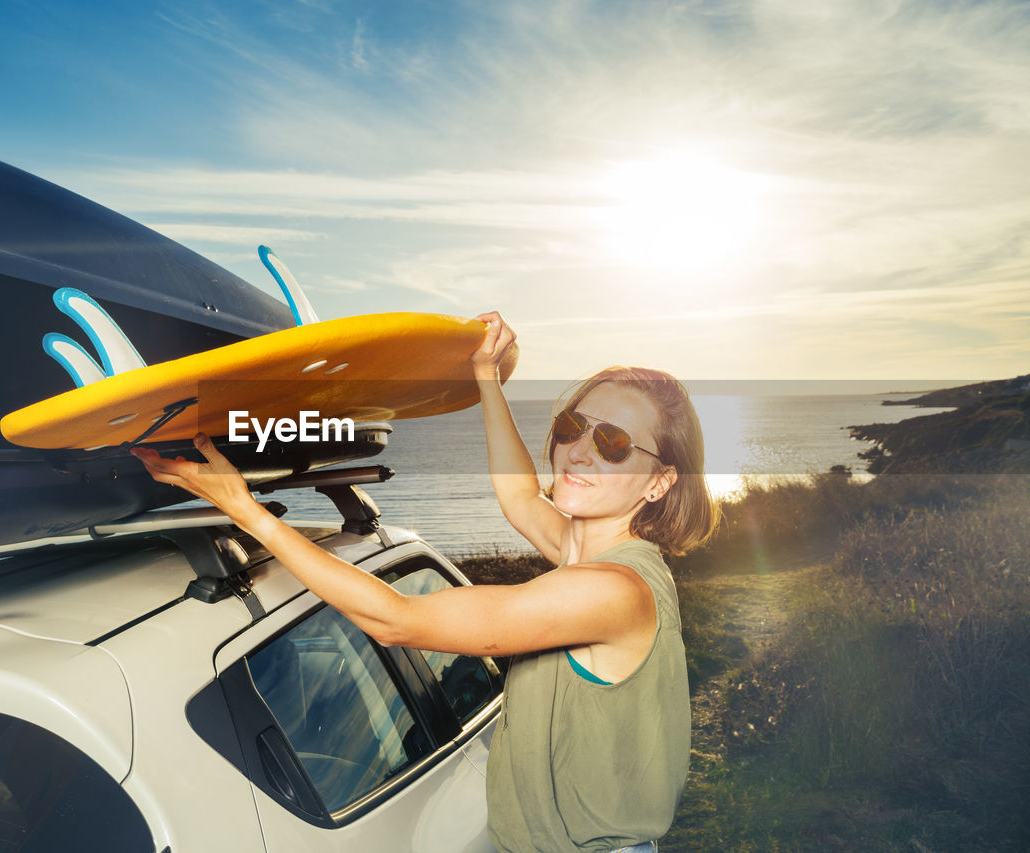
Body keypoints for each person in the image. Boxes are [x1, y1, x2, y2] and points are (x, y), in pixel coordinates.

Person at [130, 311, 718, 852]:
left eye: (613, 443)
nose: (579, 451)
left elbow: (397, 620)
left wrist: (243, 507)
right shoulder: (585, 550)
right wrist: (486, 378)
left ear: (661, 482)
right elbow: (518, 493)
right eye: (575, 424)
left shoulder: (613, 590)